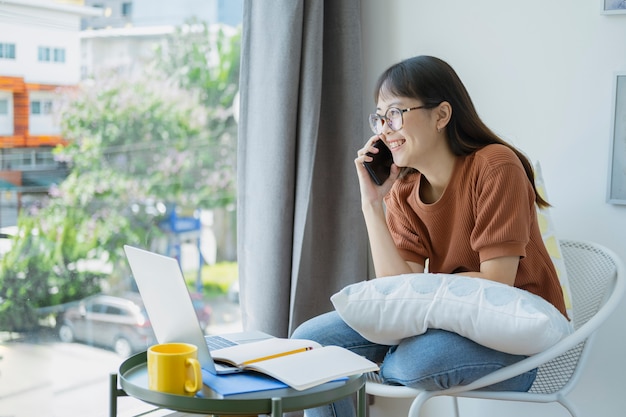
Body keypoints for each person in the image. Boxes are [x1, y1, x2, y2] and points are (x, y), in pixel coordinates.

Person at [291, 55, 568, 417]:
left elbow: (496, 283)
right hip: (444, 324)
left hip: (517, 343)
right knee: (308, 344)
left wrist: (422, 288)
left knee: (412, 364)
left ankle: (375, 365)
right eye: (379, 117)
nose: (384, 130)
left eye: (395, 114)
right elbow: (396, 291)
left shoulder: (496, 166)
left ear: (441, 115)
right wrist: (373, 204)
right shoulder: (404, 189)